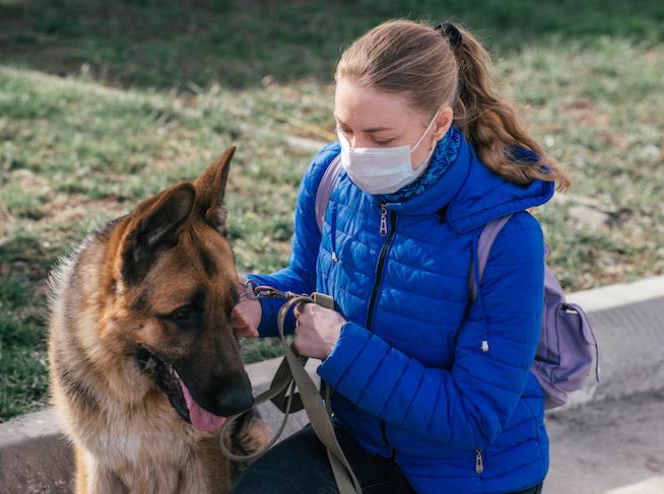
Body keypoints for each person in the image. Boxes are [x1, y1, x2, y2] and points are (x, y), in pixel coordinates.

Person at [229, 18, 570, 494]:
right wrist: (249, 301)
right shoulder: (331, 177)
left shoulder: (507, 238)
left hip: (471, 474)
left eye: (381, 138)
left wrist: (342, 347)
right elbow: (306, 285)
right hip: (361, 441)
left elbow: (474, 415)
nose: (356, 152)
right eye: (345, 128)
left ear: (439, 125)